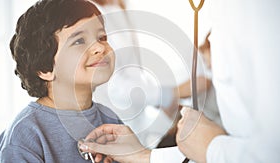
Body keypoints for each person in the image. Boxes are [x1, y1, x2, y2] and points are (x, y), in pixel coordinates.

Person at [79, 0, 280, 162]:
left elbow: (268, 151)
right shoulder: (96, 13)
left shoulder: (253, 11)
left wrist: (211, 147)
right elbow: (120, 86)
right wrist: (171, 95)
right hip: (131, 124)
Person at [0, 0, 123, 162]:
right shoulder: (25, 135)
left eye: (102, 37)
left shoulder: (110, 120)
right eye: (79, 41)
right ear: (45, 68)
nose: (99, 47)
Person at [91, 0, 219, 149]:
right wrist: (171, 93)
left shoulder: (119, 7)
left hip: (141, 122)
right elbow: (116, 86)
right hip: (122, 121)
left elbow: (132, 74)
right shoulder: (96, 15)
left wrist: (169, 100)